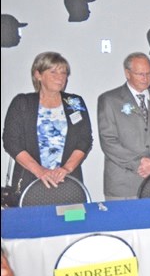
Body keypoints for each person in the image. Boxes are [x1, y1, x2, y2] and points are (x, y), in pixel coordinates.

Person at [2, 52, 93, 192]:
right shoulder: (22, 102)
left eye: (64, 73)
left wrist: (66, 169)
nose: (60, 77)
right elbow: (11, 141)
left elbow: (85, 139)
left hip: (68, 180)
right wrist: (40, 171)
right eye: (53, 72)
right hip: (30, 181)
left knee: (72, 214)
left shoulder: (74, 102)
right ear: (38, 74)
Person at [97, 52, 150, 199]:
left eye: (149, 74)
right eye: (140, 74)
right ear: (127, 73)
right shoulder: (109, 100)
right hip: (123, 184)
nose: (146, 78)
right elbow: (108, 141)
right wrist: (139, 163)